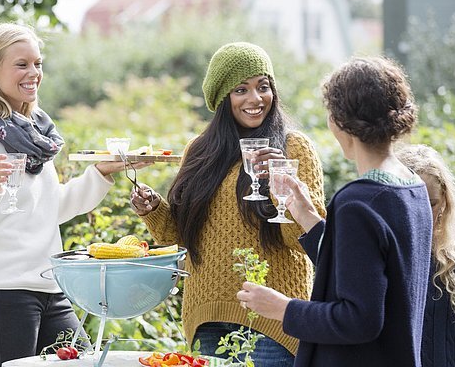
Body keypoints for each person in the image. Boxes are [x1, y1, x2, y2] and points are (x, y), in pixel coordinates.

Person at [0, 23, 148, 367]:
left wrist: (99, 174)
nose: (33, 73)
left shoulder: (34, 135)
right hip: (1, 295)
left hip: (51, 289)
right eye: (21, 64)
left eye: (38, 63)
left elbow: (52, 208)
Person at [130, 42, 326, 366]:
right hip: (206, 316)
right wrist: (152, 209)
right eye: (241, 89)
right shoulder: (199, 150)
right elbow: (180, 236)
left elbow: (307, 240)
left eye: (263, 87)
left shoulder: (294, 147)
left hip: (271, 322)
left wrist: (280, 186)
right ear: (223, 99)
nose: (255, 99)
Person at [236, 56, 433, 366]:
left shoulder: (357, 202)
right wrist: (303, 211)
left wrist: (283, 308)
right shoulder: (412, 188)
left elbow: (359, 319)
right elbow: (358, 270)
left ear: (340, 122)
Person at [396, 144, 455, 366]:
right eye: (412, 202)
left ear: (445, 200)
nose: (423, 212)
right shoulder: (377, 253)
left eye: (431, 203)